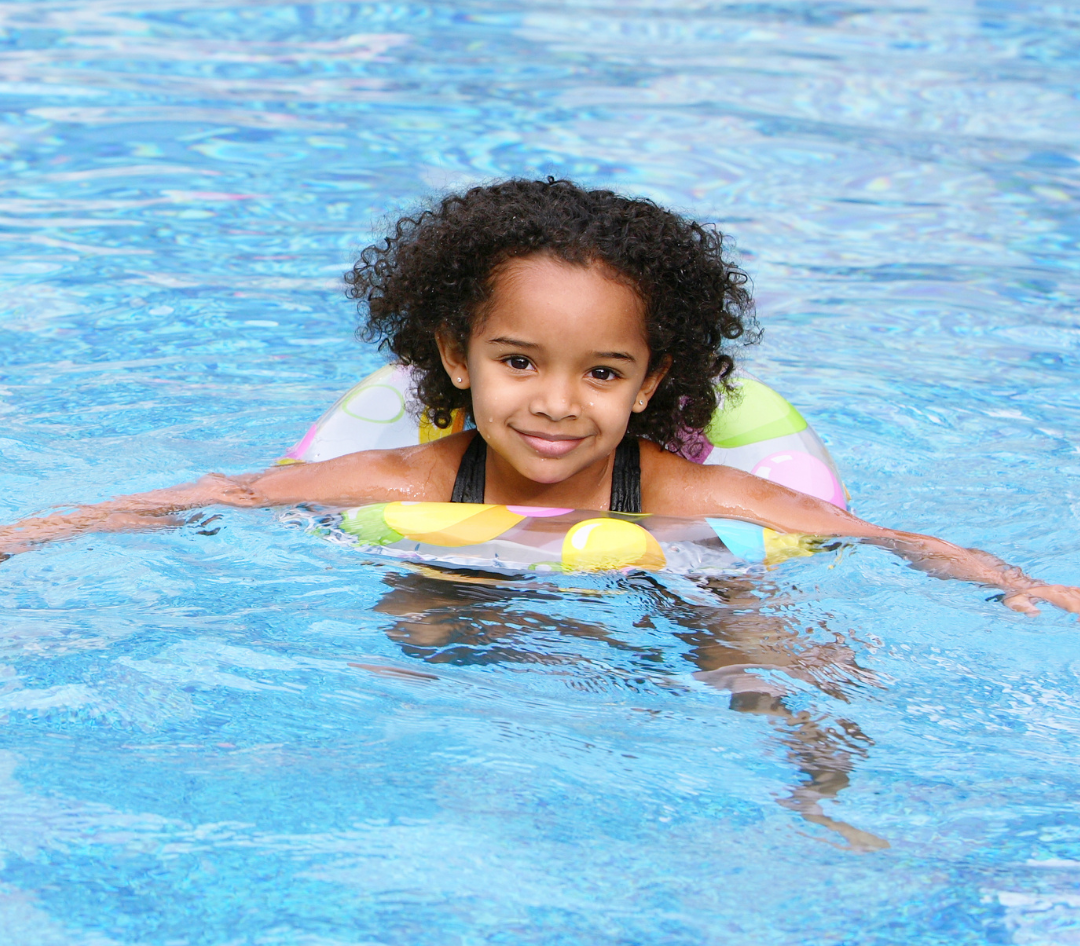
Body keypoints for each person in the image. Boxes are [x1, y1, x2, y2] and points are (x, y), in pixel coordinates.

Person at [1, 178, 1078, 619]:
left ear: (653, 383)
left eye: (602, 374)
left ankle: (815, 781)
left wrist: (1018, 586)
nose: (557, 404)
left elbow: (873, 536)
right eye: (520, 362)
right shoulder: (409, 474)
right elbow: (230, 492)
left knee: (758, 631)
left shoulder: (681, 486)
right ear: (455, 358)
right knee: (418, 613)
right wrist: (43, 530)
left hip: (651, 620)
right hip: (467, 607)